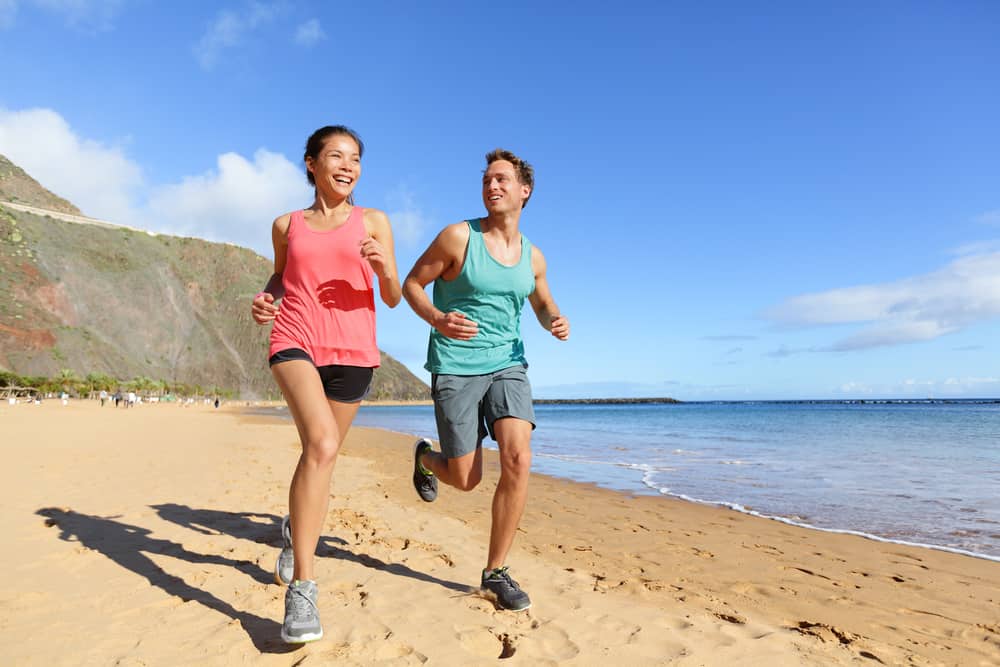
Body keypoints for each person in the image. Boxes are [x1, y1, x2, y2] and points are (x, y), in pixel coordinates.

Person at [251, 125, 401, 643]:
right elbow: (280, 276)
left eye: (355, 158)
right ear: (311, 163)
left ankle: (297, 530)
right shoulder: (286, 224)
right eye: (335, 155)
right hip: (295, 338)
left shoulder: (374, 220)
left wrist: (383, 270)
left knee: (322, 455)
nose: (347, 165)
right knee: (321, 443)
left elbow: (394, 296)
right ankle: (303, 591)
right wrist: (267, 298)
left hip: (354, 351)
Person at [402, 148, 569, 612]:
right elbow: (411, 284)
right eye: (487, 180)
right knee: (466, 477)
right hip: (456, 364)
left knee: (518, 457)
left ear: (524, 190)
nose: (492, 186)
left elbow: (540, 302)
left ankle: (495, 571)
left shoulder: (533, 256)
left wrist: (554, 319)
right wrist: (438, 318)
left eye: (501, 180)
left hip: (509, 364)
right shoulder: (458, 238)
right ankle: (425, 460)